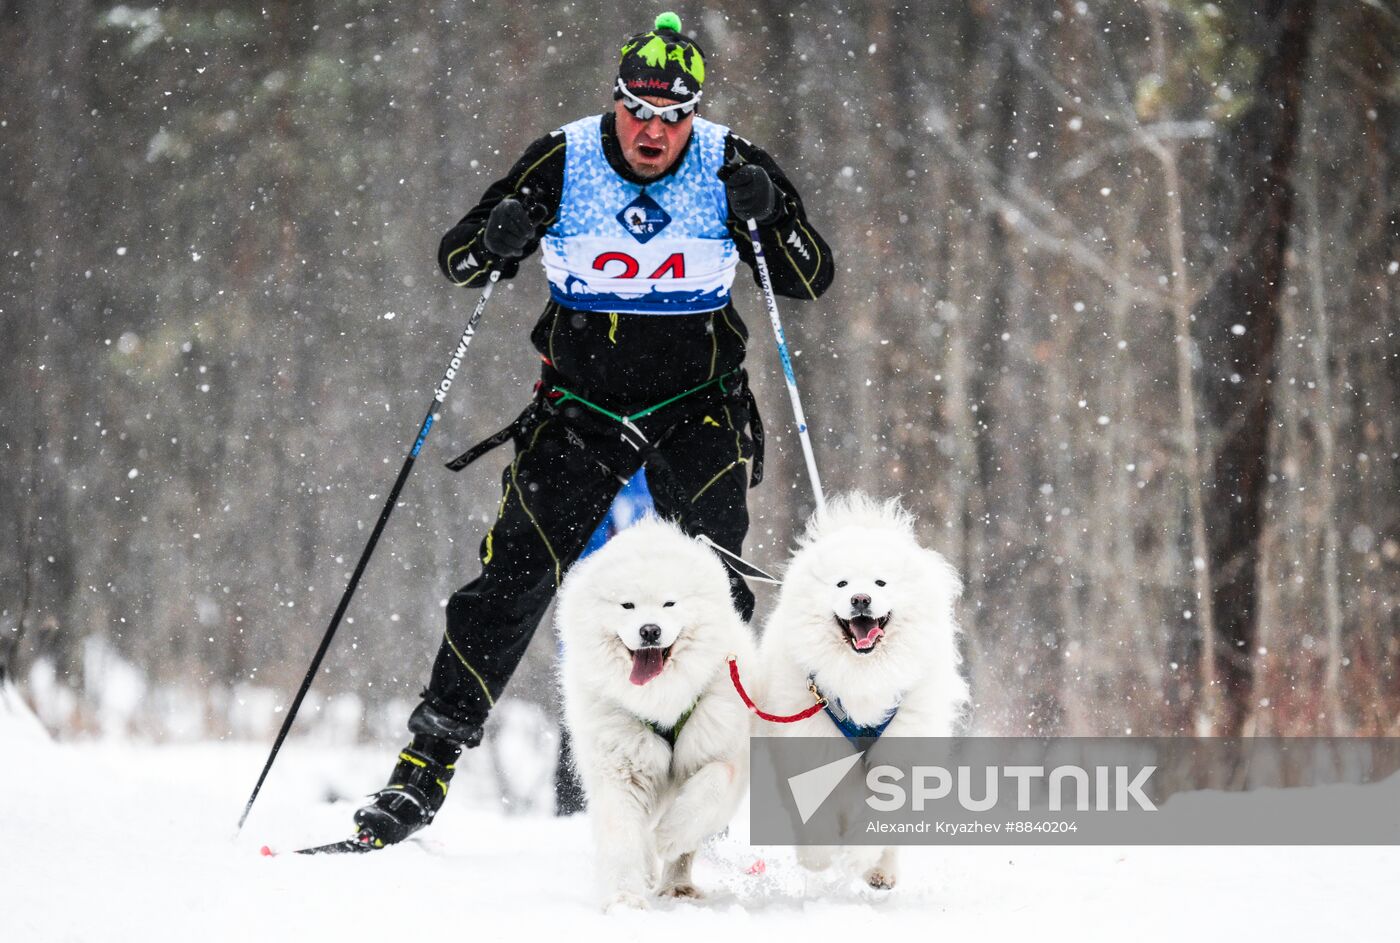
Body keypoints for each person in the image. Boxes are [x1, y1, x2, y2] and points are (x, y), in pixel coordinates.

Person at [352, 11, 834, 848]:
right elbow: (459, 259)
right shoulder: (565, 157)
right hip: (580, 409)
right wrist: (500, 232)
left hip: (700, 409)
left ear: (693, 114)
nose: (652, 132)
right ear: (616, 103)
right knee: (512, 582)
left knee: (712, 594)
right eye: (638, 112)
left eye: (671, 115)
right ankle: (422, 770)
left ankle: (699, 793)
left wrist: (771, 216)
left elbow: (810, 276)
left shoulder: (729, 161)